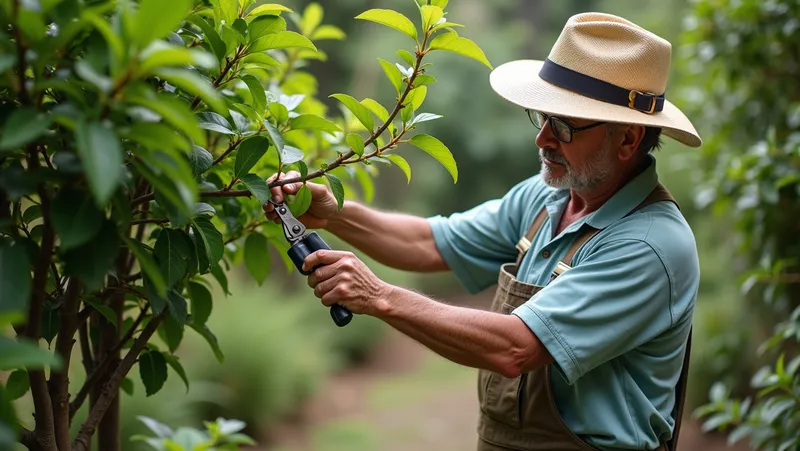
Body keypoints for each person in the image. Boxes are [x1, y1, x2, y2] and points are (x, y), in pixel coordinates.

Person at [264, 12, 701, 451]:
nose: (543, 139)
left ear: (627, 139)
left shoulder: (649, 245)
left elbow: (515, 349)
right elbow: (430, 242)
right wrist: (333, 212)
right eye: (542, 117)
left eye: (564, 126)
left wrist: (379, 296)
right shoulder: (547, 196)